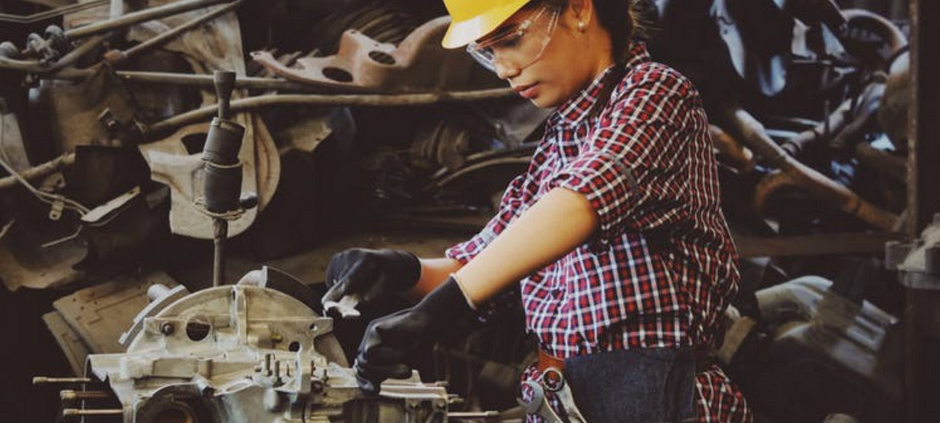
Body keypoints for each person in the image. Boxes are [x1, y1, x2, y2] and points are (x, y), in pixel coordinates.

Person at [322, 0, 752, 422]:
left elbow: (582, 201)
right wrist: (399, 270)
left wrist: (438, 310)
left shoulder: (656, 93)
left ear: (580, 10)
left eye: (509, 40)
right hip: (565, 399)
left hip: (655, 396)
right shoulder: (558, 143)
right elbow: (483, 265)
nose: (502, 69)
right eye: (487, 51)